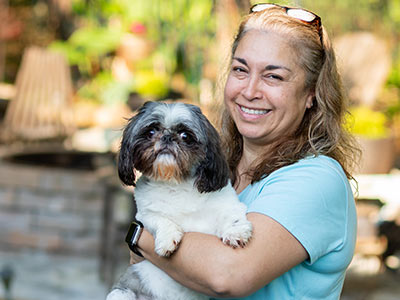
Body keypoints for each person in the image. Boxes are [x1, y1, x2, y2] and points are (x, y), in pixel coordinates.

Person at [128, 3, 360, 299]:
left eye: (273, 76)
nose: (250, 91)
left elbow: (228, 274)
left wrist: (139, 236)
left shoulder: (317, 179)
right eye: (240, 70)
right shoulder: (213, 169)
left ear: (312, 93)